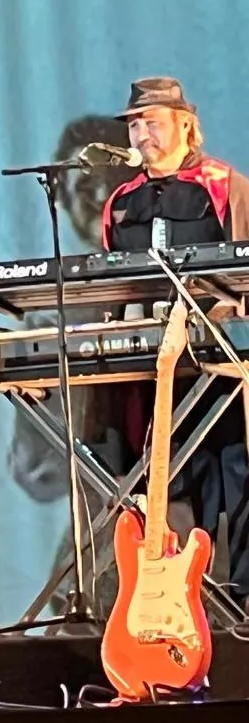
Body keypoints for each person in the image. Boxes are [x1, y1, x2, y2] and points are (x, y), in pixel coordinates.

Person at [101, 77, 249, 609]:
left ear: (185, 124)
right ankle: (187, 605)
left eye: (152, 121)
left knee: (236, 475)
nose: (142, 134)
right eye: (136, 124)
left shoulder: (222, 183)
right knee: (171, 486)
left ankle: (243, 600)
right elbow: (112, 288)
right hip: (154, 371)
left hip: (224, 363)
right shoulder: (121, 201)